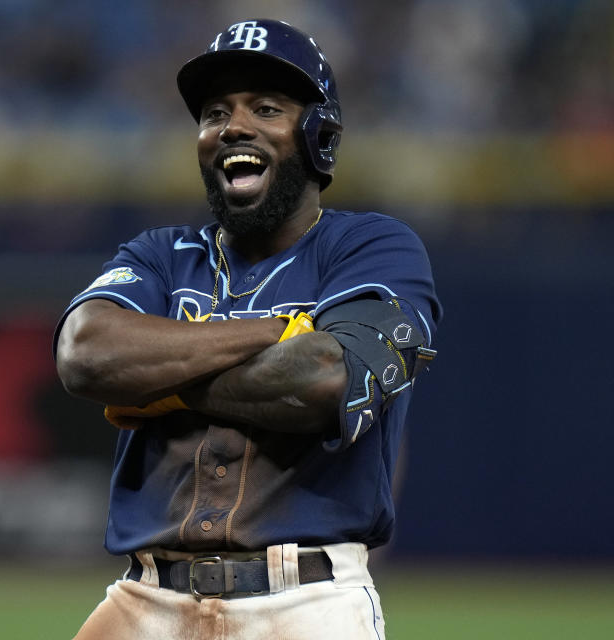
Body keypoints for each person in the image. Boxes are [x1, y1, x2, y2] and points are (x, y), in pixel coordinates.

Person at [54, 19, 442, 640]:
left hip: (306, 604)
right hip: (144, 599)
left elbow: (321, 380)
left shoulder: (374, 248)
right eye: (215, 113)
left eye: (265, 108)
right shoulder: (160, 254)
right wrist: (274, 331)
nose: (233, 127)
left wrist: (162, 385)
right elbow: (84, 357)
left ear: (320, 137)